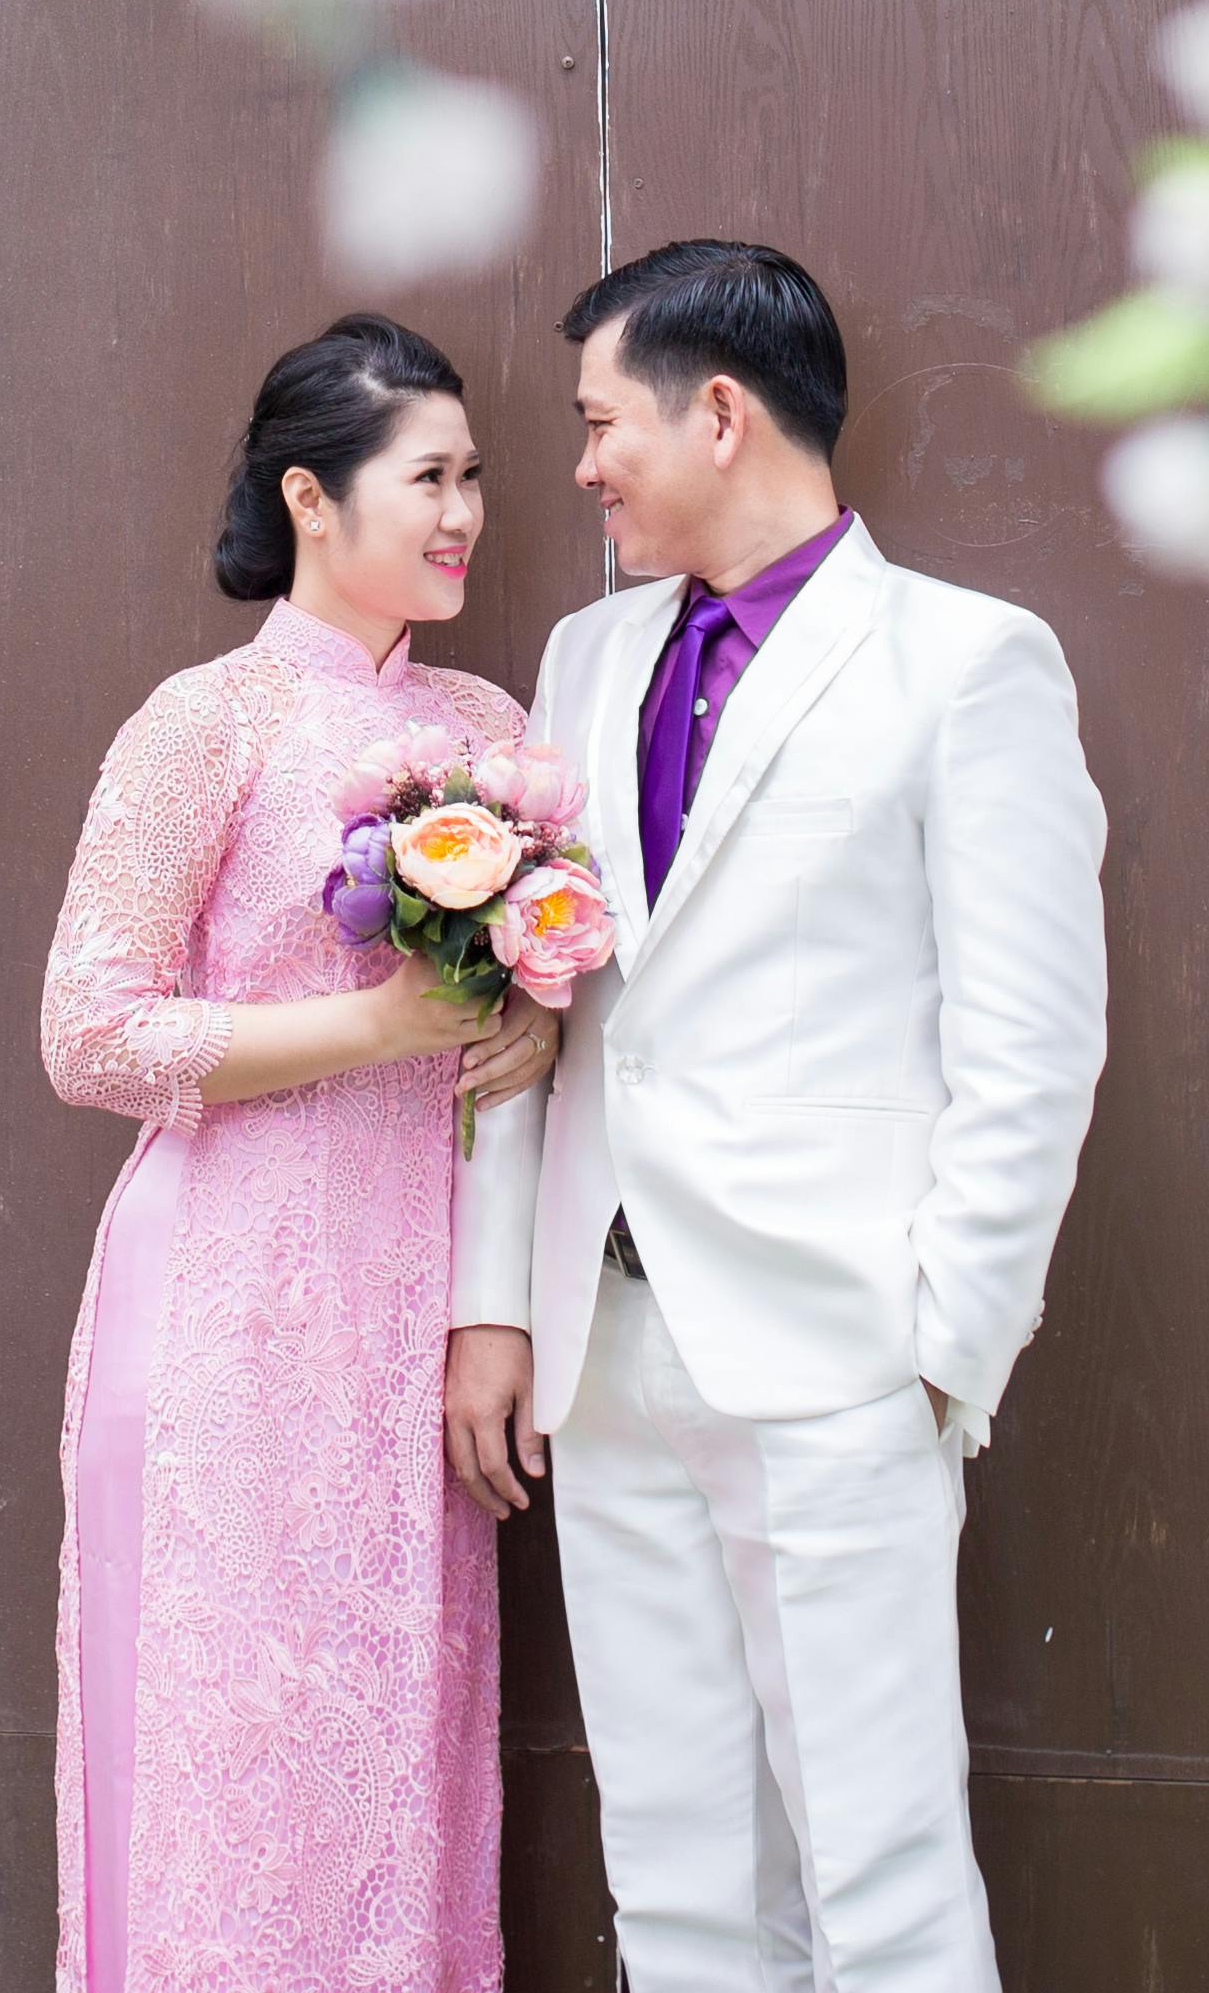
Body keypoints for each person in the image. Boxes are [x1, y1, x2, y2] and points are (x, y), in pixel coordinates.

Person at [442, 239, 1112, 1993]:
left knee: (883, 1875)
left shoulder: (966, 665)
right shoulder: (586, 658)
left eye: (602, 423)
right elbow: (533, 1006)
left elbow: (1032, 1041)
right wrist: (501, 1303)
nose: (579, 466)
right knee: (672, 1878)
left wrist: (944, 1344)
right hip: (607, 1357)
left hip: (839, 1356)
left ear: (718, 412)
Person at [37, 313, 568, 1993]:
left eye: (476, 475)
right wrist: (378, 1028)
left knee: (399, 1749)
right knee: (223, 1777)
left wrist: (537, 1020)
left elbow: (531, 1018)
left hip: (406, 1325)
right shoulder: (206, 722)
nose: (467, 510)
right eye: (432, 477)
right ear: (311, 500)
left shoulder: (491, 727)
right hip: (223, 1334)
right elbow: (88, 1032)